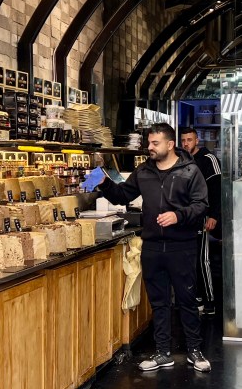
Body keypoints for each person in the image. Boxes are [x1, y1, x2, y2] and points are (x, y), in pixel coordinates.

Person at [85, 124, 212, 373]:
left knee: (187, 300)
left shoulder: (190, 171)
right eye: (149, 143)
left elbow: (201, 205)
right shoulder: (143, 171)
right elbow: (123, 195)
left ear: (170, 144)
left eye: (155, 143)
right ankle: (163, 352)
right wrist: (105, 182)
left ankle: (195, 351)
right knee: (159, 302)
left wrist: (178, 216)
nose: (149, 147)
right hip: (152, 246)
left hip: (182, 246)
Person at [179, 126, 222, 317]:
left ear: (197, 140)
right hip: (185, 217)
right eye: (183, 140)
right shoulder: (180, 159)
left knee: (202, 259)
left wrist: (214, 215)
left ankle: (210, 301)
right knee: (187, 258)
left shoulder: (208, 159)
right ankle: (196, 298)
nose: (186, 143)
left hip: (203, 215)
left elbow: (217, 189)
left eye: (189, 140)